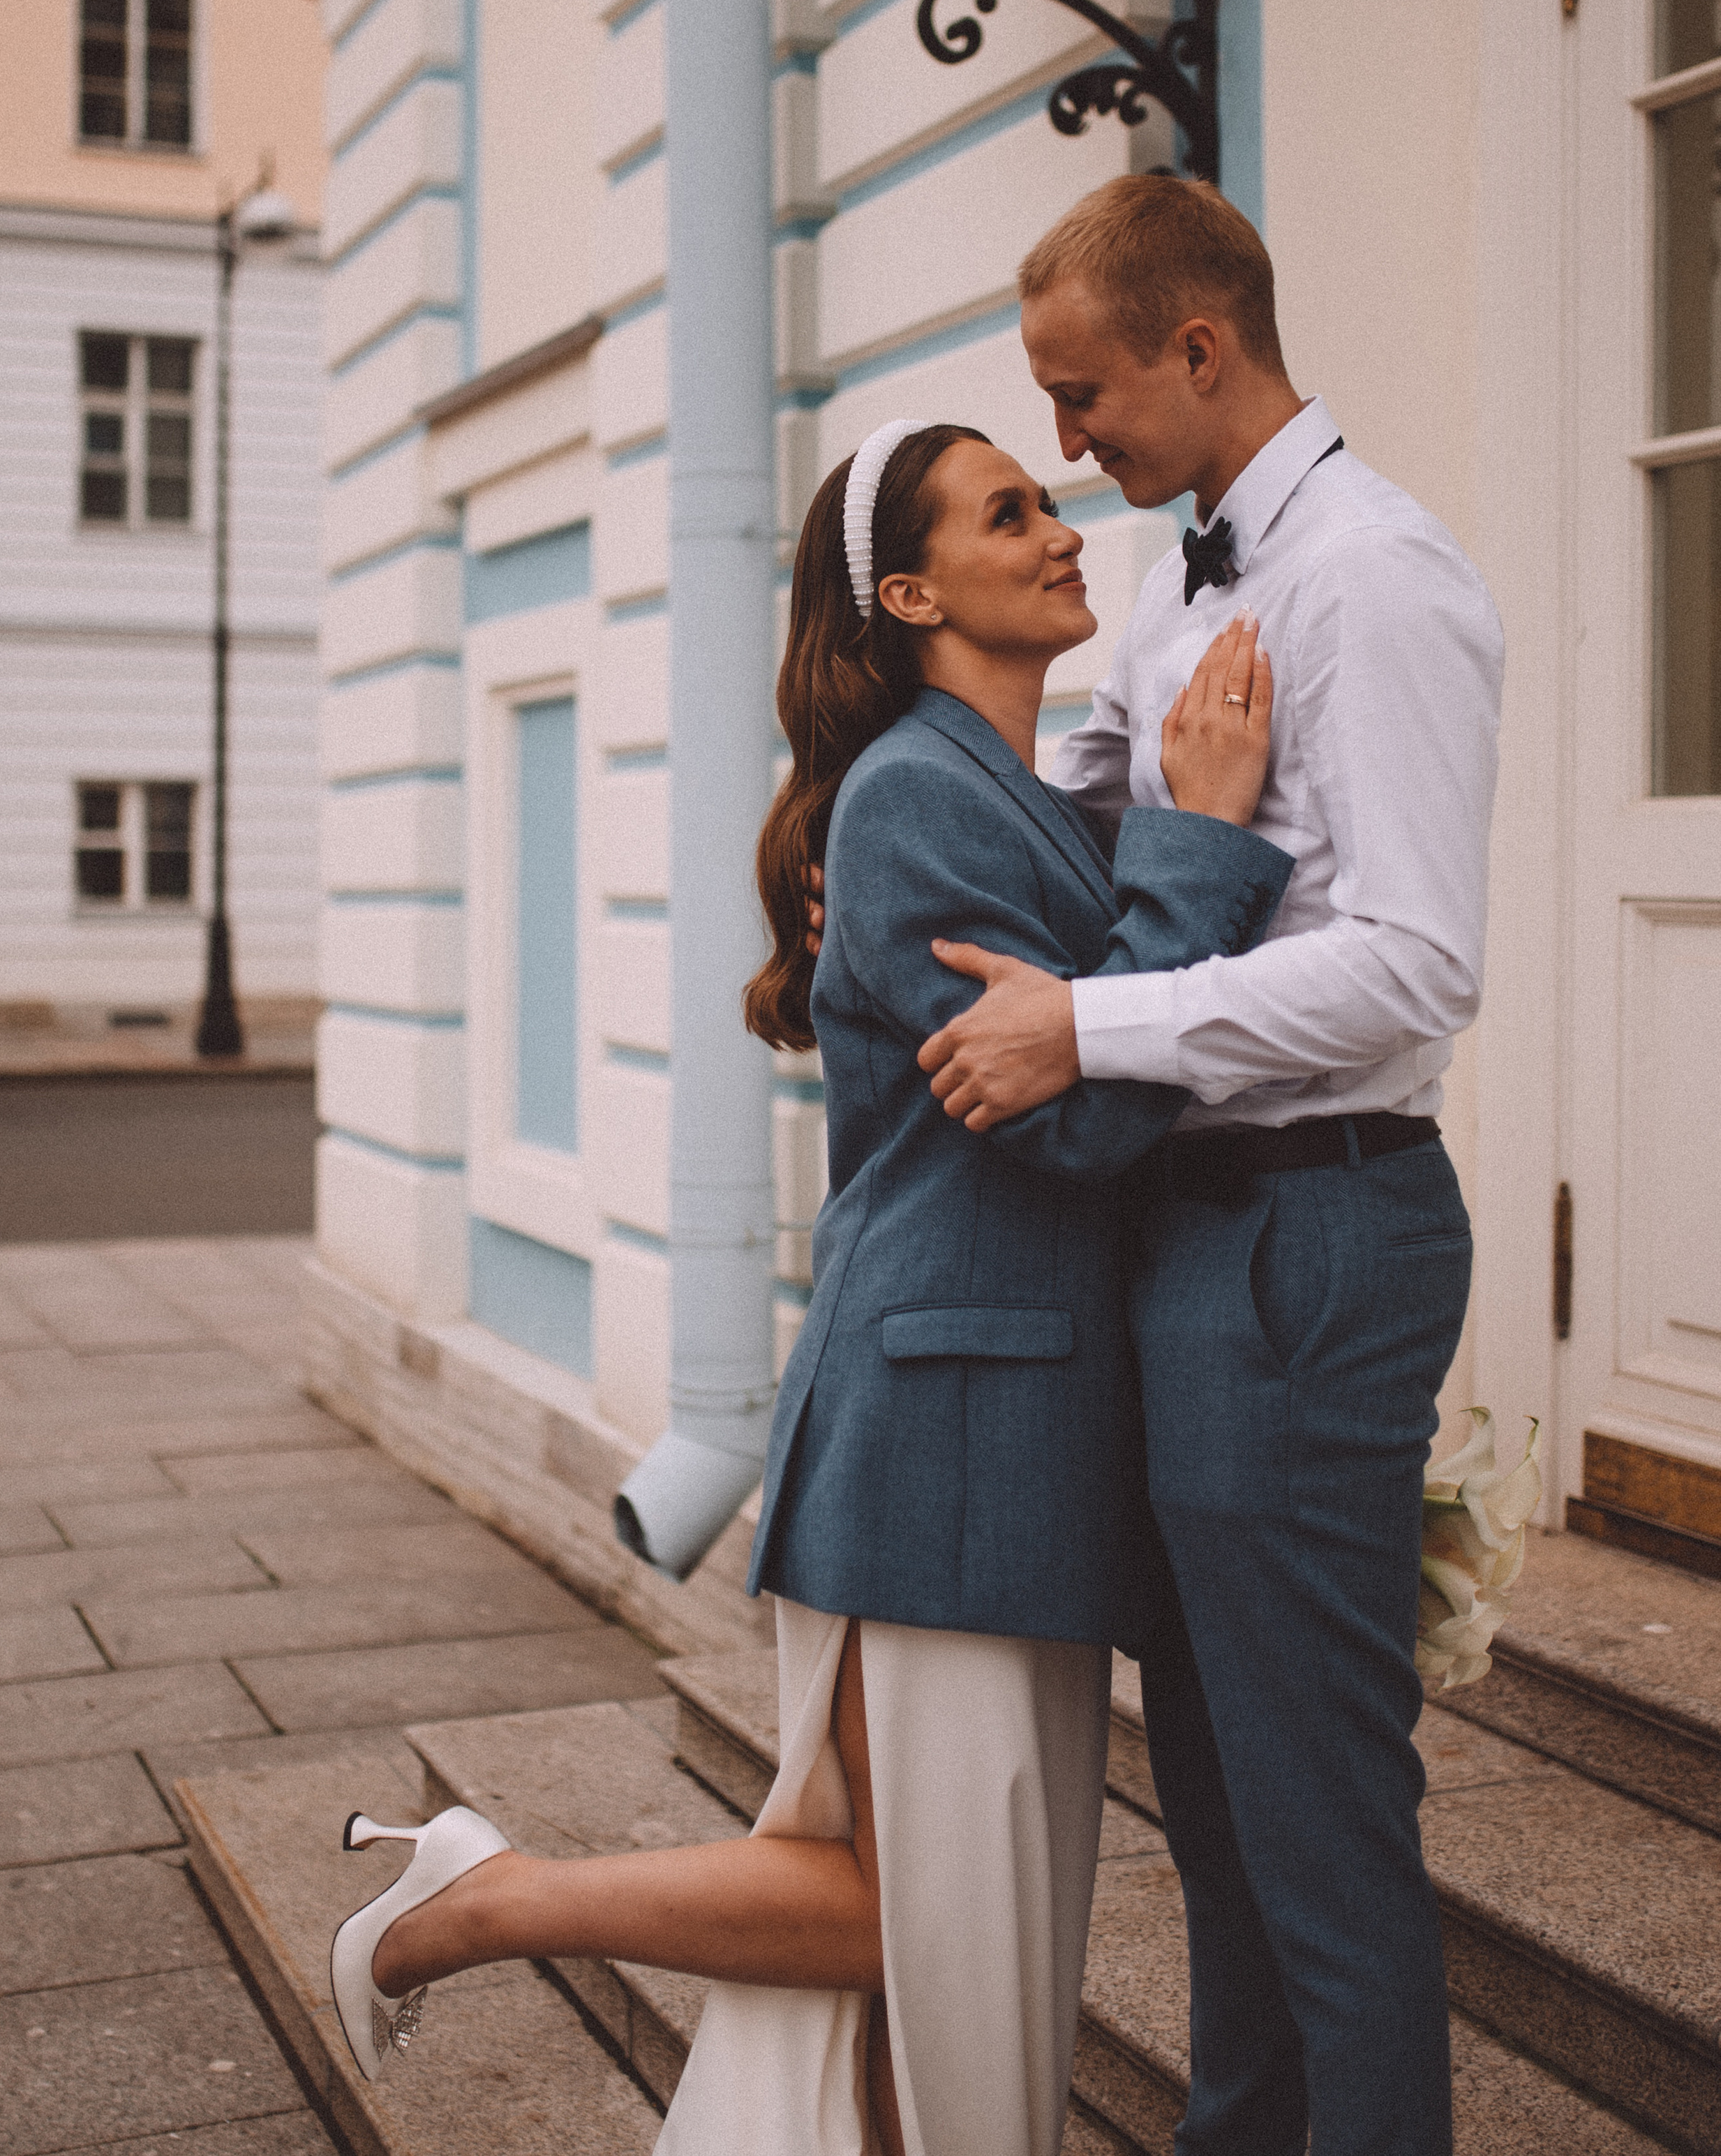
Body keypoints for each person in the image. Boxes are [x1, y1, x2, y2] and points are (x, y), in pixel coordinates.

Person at [326, 417, 1293, 2156]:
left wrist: (1150, 827)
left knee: (911, 1917)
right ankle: (480, 1905)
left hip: (997, 1422)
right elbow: (1082, 1124)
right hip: (951, 1425)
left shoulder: (980, 784)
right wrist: (1206, 837)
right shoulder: (917, 793)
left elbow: (1086, 1054)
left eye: (1047, 496)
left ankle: (481, 1894)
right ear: (910, 590)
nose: (1059, 525)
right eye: (1010, 511)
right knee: (929, 1926)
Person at [914, 177, 1505, 2156]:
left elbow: (1415, 961)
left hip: (1316, 1234)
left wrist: (1085, 1026)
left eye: (1084, 398)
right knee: (1232, 1824)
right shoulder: (1174, 585)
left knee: (1323, 1829)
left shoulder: (1381, 580)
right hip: (1183, 1235)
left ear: (1199, 342)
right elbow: (1085, 832)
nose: (1069, 447)